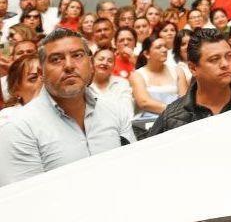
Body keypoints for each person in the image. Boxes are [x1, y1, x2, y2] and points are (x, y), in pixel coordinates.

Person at [0, 29, 135, 184]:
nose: (69, 66)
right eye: (56, 59)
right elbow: (26, 201)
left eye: (77, 55)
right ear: (41, 72)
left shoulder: (116, 111)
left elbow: (131, 172)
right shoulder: (19, 128)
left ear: (91, 64)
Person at [148, 28, 231, 136]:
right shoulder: (172, 116)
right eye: (214, 59)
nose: (225, 64)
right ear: (193, 68)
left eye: (229, 56)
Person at [129, 35, 187, 132]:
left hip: (177, 121)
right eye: (159, 47)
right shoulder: (137, 75)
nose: (164, 50)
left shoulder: (178, 71)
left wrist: (176, 114)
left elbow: (185, 99)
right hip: (147, 125)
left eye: (165, 46)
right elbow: (144, 103)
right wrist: (174, 111)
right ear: (147, 54)